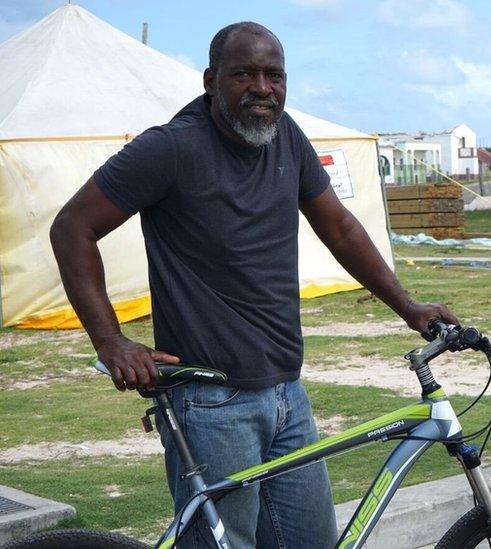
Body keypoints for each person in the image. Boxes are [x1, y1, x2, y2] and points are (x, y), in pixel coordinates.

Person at [49, 22, 456, 548]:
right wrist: (110, 340)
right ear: (210, 80)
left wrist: (408, 306)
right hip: (211, 402)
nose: (262, 88)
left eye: (274, 75)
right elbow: (72, 228)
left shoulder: (286, 136)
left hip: (287, 391)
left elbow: (341, 227)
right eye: (244, 74)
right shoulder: (170, 148)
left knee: (309, 541)